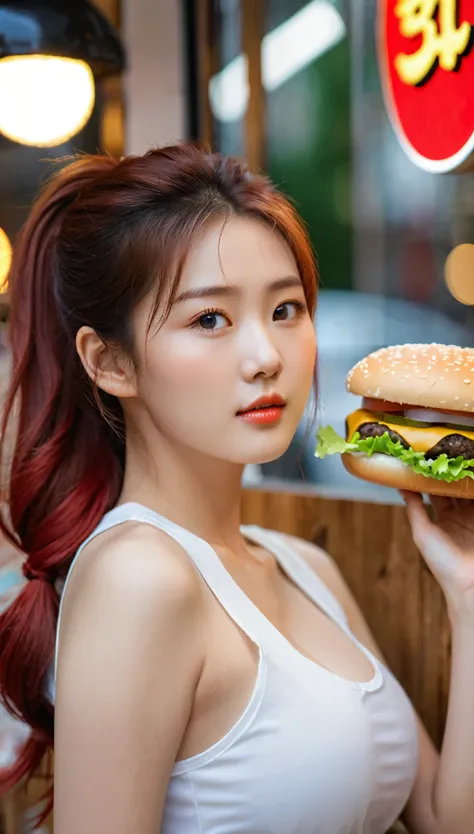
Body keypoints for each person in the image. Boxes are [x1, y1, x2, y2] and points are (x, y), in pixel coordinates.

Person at [0, 144, 473, 834]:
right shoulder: (140, 576)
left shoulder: (306, 568)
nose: (266, 358)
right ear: (111, 362)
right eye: (210, 320)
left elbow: (445, 818)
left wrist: (467, 591)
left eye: (286, 309)